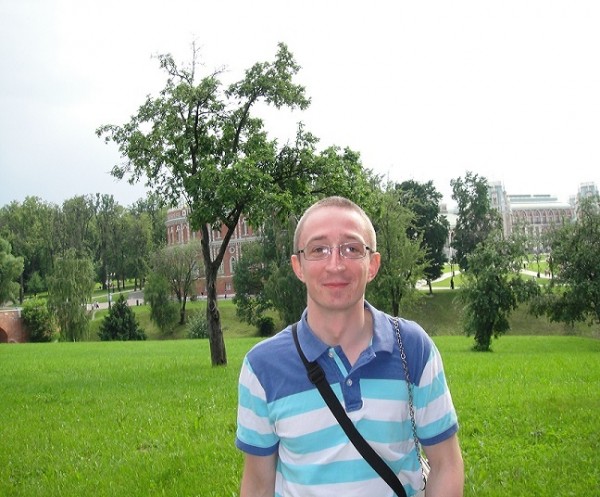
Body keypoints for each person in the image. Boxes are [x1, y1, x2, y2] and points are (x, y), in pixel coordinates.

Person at [236, 196, 464, 497]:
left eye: (352, 249)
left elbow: (446, 464)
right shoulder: (262, 367)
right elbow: (258, 485)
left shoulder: (413, 348)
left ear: (373, 265)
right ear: (298, 266)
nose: (335, 264)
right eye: (319, 249)